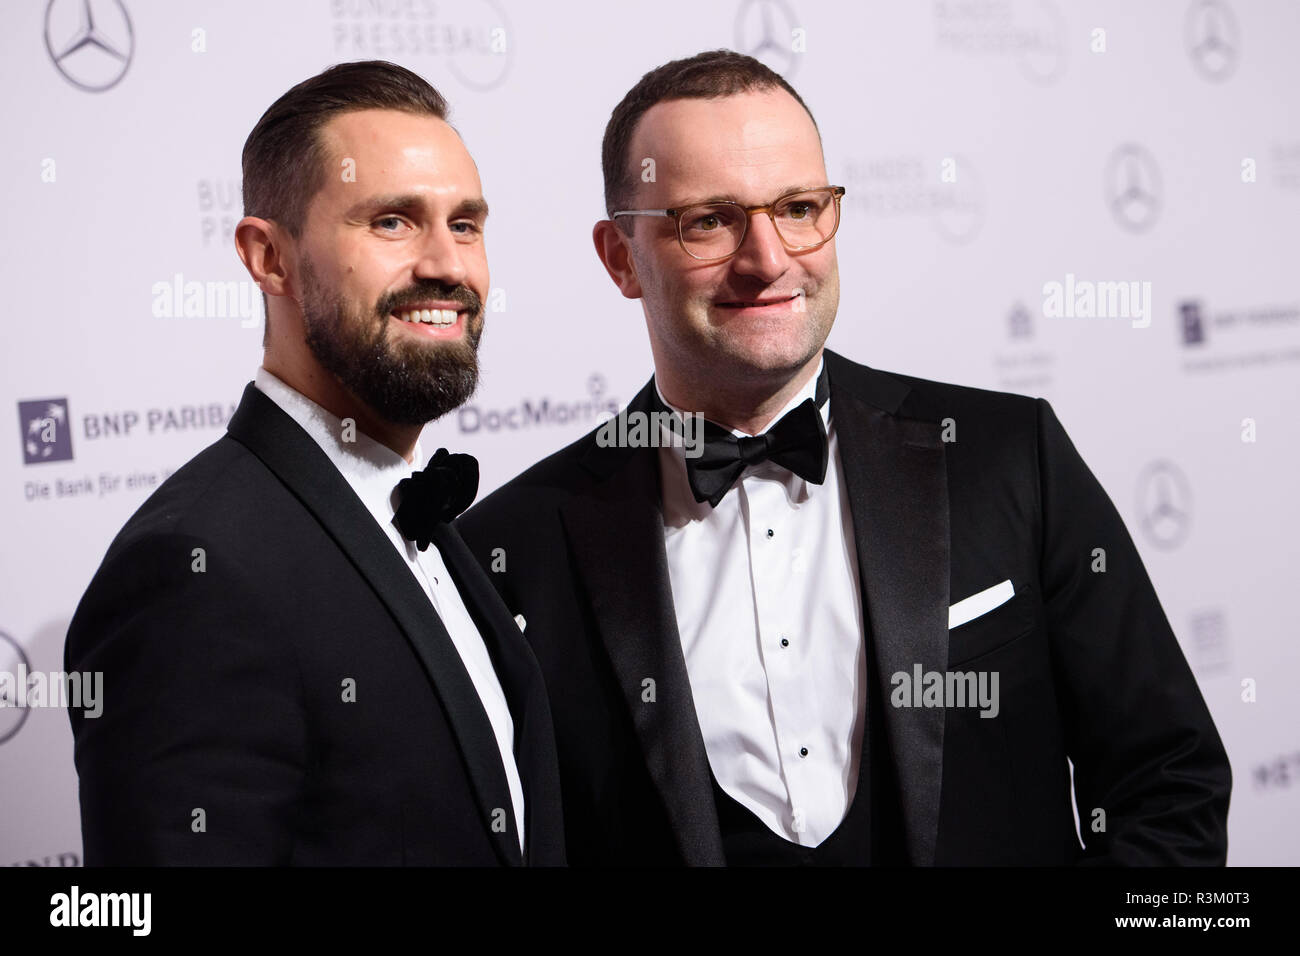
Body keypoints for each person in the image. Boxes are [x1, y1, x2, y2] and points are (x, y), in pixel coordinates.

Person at [456, 50, 1231, 865]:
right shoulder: (513, 550)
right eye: (710, 221)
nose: (768, 258)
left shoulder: (1008, 456)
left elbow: (1169, 782)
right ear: (620, 259)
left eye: (798, 207)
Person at [65, 60, 563, 866]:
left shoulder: (424, 515)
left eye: (465, 225)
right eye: (393, 222)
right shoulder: (194, 570)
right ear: (269, 259)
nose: (448, 265)